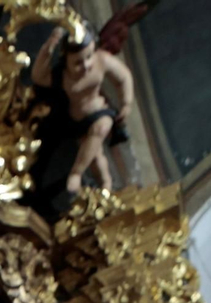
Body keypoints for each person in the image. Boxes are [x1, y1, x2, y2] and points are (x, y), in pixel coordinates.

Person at [32, 25, 134, 194]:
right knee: (94, 157)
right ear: (66, 60)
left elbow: (123, 77)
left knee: (101, 128)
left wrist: (126, 103)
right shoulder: (62, 76)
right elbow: (38, 76)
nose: (86, 65)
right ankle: (106, 186)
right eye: (78, 62)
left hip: (99, 111)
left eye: (89, 57)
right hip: (75, 121)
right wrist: (49, 46)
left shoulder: (101, 61)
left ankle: (76, 173)